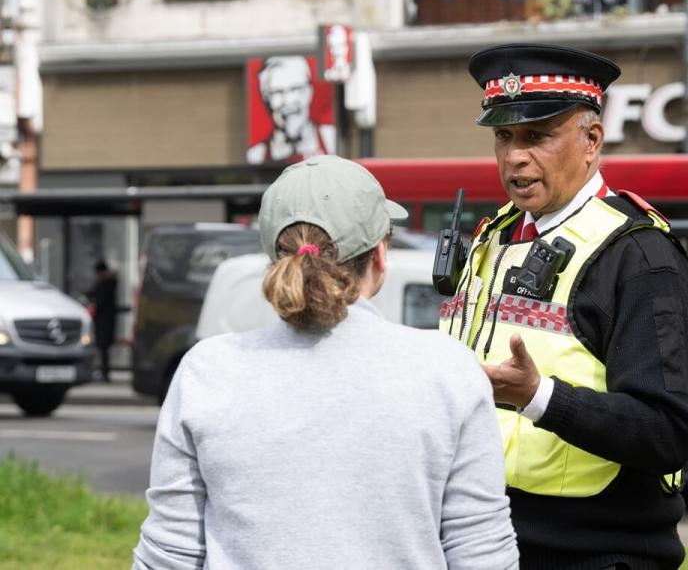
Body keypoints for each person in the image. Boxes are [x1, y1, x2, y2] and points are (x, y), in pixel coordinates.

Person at [133, 155, 518, 570]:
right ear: (380, 256)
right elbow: (481, 553)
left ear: (275, 262)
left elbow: (169, 554)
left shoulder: (205, 371)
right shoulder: (448, 371)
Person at [438, 43, 688, 569]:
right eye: (503, 136)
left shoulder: (641, 256)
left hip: (595, 554)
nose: (514, 156)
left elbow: (665, 433)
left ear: (592, 141)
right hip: (488, 541)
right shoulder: (497, 235)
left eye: (537, 136)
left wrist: (538, 396)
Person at [246, 56, 336, 164]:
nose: (288, 101)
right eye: (277, 92)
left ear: (309, 92)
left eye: (295, 89)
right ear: (266, 98)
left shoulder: (331, 138)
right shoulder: (256, 155)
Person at [86, 260, 117, 382]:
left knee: (103, 348)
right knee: (103, 348)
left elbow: (100, 301)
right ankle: (104, 372)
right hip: (106, 320)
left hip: (104, 321)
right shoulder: (110, 283)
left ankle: (104, 373)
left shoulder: (105, 284)